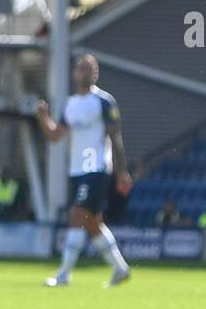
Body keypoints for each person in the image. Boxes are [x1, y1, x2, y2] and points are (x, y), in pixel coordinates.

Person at [35, 54, 133, 287]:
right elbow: (55, 135)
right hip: (77, 170)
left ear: (96, 73)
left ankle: (64, 273)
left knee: (76, 216)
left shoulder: (104, 101)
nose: (85, 72)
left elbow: (115, 137)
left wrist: (122, 171)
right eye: (81, 68)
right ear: (74, 73)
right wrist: (42, 117)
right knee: (92, 222)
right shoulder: (70, 104)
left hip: (96, 167)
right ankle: (120, 269)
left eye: (89, 69)